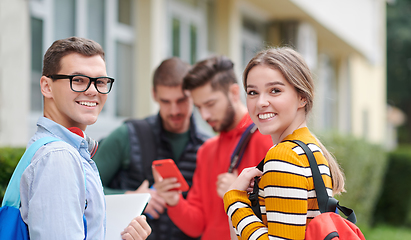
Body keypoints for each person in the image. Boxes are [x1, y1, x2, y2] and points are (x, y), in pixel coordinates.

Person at [19, 36, 151, 240]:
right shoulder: (59, 157)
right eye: (78, 80)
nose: (92, 91)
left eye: (100, 81)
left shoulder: (61, 149)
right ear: (46, 86)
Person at [223, 47, 346, 240]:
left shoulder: (284, 156)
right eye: (253, 92)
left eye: (275, 90)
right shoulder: (310, 148)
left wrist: (234, 200)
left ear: (302, 97)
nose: (261, 102)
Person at [153, 56, 273, 240]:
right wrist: (174, 201)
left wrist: (240, 195)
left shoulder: (267, 140)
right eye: (199, 107)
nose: (204, 115)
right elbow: (197, 226)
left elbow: (283, 218)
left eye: (210, 104)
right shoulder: (207, 150)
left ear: (234, 93)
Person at [93, 57, 210, 240]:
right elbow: (84, 190)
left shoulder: (208, 147)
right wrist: (132, 199)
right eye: (165, 101)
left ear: (193, 95)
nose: (174, 110)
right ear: (154, 95)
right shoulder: (126, 135)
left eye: (181, 100)